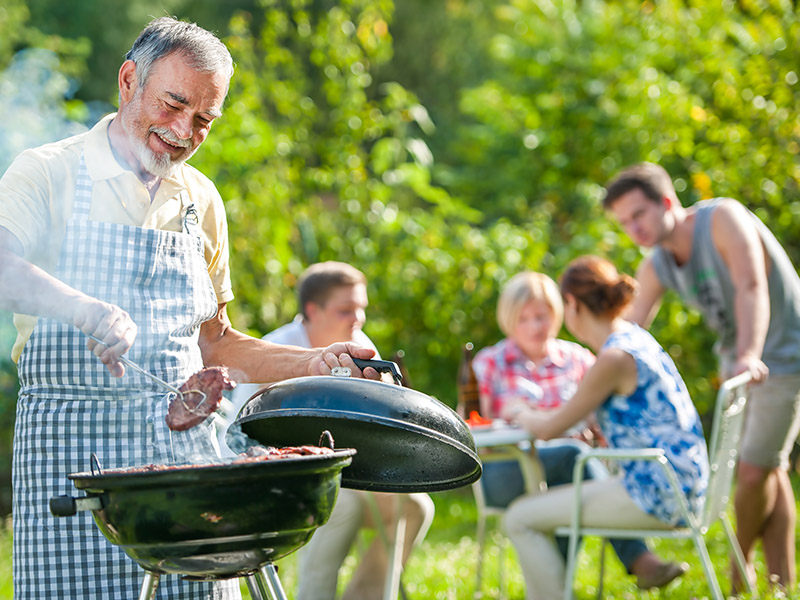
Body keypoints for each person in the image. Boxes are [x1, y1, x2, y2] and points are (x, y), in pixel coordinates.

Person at [0, 18, 379, 600]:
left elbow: (217, 344)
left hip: (184, 470)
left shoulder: (200, 199)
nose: (183, 131)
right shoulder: (48, 171)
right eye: (173, 105)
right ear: (129, 81)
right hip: (70, 459)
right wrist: (83, 309)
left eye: (204, 120)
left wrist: (317, 360)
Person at [603, 162, 800, 590]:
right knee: (770, 468)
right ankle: (782, 583)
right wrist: (586, 385)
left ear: (666, 202)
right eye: (623, 223)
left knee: (752, 471)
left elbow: (751, 286)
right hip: (738, 364)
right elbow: (627, 332)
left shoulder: (722, 219)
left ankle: (737, 570)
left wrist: (748, 353)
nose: (633, 228)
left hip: (783, 354)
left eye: (638, 215)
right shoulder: (657, 264)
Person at [498, 256, 709, 600]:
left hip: (658, 493)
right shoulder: (635, 337)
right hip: (682, 483)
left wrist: (519, 410)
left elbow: (550, 429)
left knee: (519, 518)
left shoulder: (613, 357)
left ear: (571, 304)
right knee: (536, 511)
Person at [230, 261, 435, 600]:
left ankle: (364, 596)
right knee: (341, 506)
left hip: (344, 472)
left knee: (414, 507)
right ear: (313, 310)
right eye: (346, 309)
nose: (358, 318)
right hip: (272, 478)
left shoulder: (360, 346)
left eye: (361, 308)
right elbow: (242, 431)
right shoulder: (276, 350)